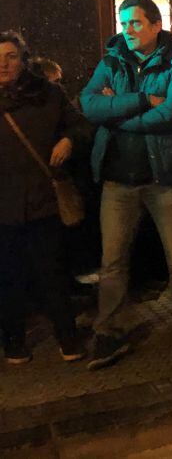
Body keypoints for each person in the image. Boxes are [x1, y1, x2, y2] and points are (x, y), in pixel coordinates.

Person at [80, 0, 172, 369]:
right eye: (124, 23)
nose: (128, 30)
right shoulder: (111, 60)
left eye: (135, 23)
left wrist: (117, 113)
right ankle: (109, 333)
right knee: (112, 263)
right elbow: (88, 104)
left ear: (156, 25)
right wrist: (141, 99)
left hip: (165, 177)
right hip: (117, 181)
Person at [0, 30, 89, 364]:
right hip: (3, 205)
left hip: (43, 199)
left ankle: (68, 337)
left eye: (10, 56)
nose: (3, 64)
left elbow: (80, 126)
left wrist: (68, 140)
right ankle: (13, 341)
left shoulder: (48, 94)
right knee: (8, 277)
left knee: (52, 273)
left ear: (23, 60)